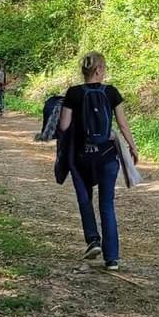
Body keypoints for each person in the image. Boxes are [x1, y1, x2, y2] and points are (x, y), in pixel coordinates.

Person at [58, 52, 139, 270]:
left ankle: (93, 240)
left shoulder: (73, 93)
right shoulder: (111, 92)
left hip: (81, 156)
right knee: (107, 204)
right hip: (107, 155)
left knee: (85, 200)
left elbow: (64, 126)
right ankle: (112, 258)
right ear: (99, 70)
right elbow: (122, 124)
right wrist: (132, 147)